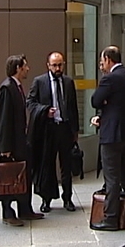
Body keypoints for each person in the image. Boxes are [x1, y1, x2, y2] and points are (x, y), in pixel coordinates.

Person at [0, 54, 45, 226]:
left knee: (22, 176)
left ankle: (25, 209)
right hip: (10, 144)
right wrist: (5, 148)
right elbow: (3, 121)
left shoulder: (17, 87)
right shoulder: (6, 89)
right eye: (25, 66)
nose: (28, 69)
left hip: (20, 142)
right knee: (7, 178)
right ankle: (8, 212)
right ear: (18, 68)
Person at [90, 45, 125, 231]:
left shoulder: (109, 79)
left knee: (111, 177)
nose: (101, 65)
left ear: (109, 60)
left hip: (111, 135)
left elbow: (95, 100)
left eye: (102, 61)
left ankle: (111, 218)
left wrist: (104, 102)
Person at [26, 51, 80, 213]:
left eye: (60, 64)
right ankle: (46, 199)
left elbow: (73, 107)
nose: (58, 68)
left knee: (67, 165)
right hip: (48, 129)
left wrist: (75, 130)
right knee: (47, 166)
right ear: (48, 65)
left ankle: (68, 198)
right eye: (55, 65)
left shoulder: (68, 82)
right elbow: (30, 102)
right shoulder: (39, 81)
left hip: (64, 128)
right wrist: (45, 111)